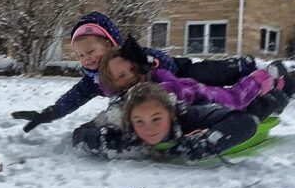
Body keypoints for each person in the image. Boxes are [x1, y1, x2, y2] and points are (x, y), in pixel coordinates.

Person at [11, 11, 258, 133]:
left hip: (178, 72)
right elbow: (72, 99)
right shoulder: (94, 81)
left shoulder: (129, 55)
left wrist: (148, 64)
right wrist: (49, 114)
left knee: (209, 74)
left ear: (108, 44)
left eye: (91, 51)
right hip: (159, 99)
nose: (87, 59)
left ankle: (241, 66)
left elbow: (164, 63)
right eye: (81, 56)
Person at [98, 45, 285, 111]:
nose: (131, 76)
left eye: (132, 69)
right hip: (191, 104)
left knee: (235, 98)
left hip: (196, 94)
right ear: (113, 83)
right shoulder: (121, 100)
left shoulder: (158, 79)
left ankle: (263, 78)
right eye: (121, 75)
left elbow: (179, 87)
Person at [107, 82, 257, 161]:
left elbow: (245, 120)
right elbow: (86, 133)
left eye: (156, 119)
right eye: (139, 121)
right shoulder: (126, 127)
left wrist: (205, 143)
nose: (149, 129)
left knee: (261, 108)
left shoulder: (187, 116)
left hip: (210, 104)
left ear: (170, 113)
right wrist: (105, 139)